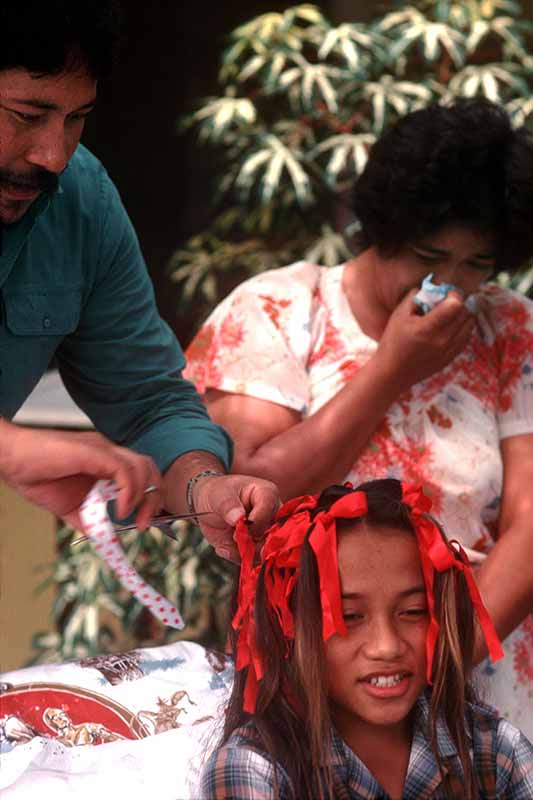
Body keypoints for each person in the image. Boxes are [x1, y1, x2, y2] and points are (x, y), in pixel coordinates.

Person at [184, 99, 533, 726]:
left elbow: (530, 518)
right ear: (384, 230)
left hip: (483, 667)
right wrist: (392, 369)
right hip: (322, 677)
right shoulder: (277, 309)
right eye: (428, 256)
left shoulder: (509, 327)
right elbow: (250, 495)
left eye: (476, 264)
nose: (450, 284)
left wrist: (443, 660)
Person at [0, 0, 279, 558]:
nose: (54, 155)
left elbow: (148, 401)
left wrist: (203, 485)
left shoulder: (82, 202)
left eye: (76, 118)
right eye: (27, 116)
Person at [200, 479, 532, 799]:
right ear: (287, 628)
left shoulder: (497, 753)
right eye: (348, 616)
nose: (387, 646)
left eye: (413, 611)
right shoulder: (254, 769)